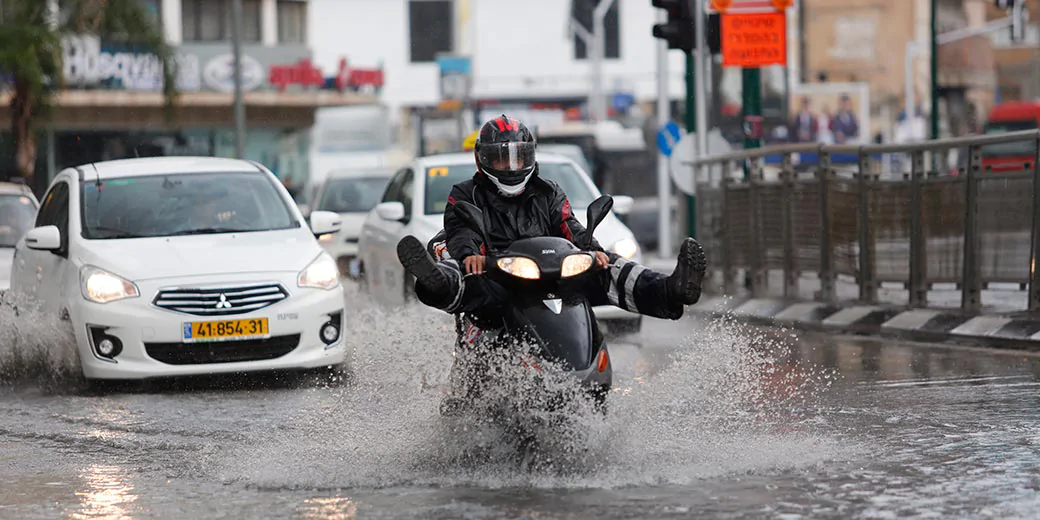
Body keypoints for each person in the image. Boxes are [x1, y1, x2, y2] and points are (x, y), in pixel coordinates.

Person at [395, 114, 707, 326]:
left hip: (554, 277)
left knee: (609, 265)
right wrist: (471, 256)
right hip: (497, 276)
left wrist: (593, 249)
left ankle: (670, 289)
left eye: (518, 157)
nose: (511, 166)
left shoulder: (548, 191)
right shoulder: (465, 194)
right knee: (463, 273)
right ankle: (437, 283)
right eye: (502, 158)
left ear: (531, 156)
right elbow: (461, 230)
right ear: (483, 159)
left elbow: (570, 226)